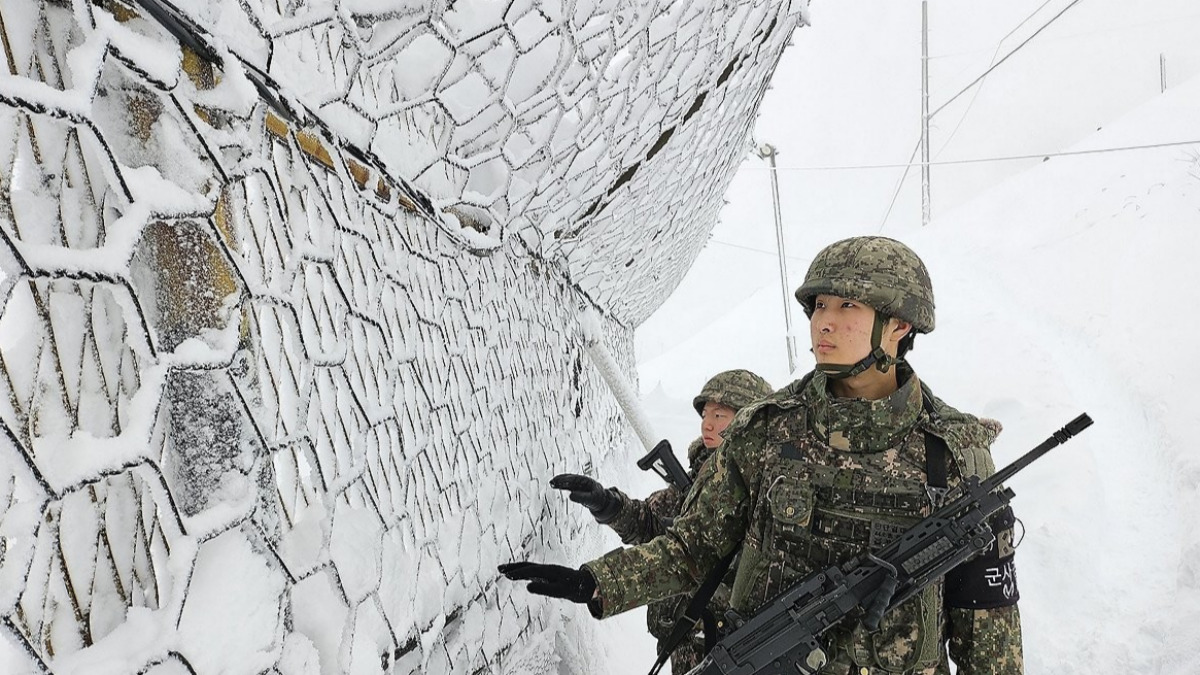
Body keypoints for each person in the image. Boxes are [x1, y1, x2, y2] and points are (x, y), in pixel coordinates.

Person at [501, 236, 1024, 675]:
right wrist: (597, 582)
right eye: (819, 305)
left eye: (847, 307)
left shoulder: (954, 451)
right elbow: (693, 550)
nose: (823, 322)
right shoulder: (765, 431)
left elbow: (987, 630)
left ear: (898, 325)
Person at [550, 369, 773, 673]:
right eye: (705, 414)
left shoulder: (765, 493)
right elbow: (652, 524)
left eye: (720, 415)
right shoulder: (697, 482)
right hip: (687, 645)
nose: (707, 424)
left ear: (751, 420)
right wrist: (607, 504)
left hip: (737, 654)